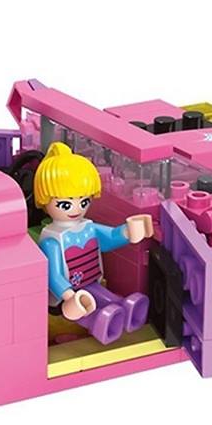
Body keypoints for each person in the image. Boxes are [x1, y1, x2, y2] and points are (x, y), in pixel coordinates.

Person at [33, 142, 153, 345]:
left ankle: (127, 310)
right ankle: (99, 323)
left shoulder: (88, 227)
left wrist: (128, 231)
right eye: (65, 204)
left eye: (84, 201)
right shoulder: (52, 239)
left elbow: (110, 237)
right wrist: (68, 295)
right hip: (64, 299)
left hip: (91, 283)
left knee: (111, 300)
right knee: (86, 310)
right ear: (45, 200)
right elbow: (53, 276)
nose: (77, 209)